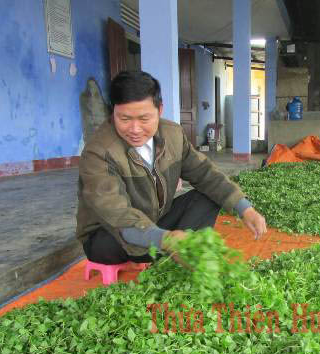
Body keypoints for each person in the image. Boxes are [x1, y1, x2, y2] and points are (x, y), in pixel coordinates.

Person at [76, 71, 267, 265]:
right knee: (118, 237)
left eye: (144, 119)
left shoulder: (172, 134)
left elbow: (205, 173)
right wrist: (165, 239)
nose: (135, 129)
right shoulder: (99, 152)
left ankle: (179, 250)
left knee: (207, 196)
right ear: (113, 112)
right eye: (124, 119)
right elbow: (116, 214)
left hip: (155, 221)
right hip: (109, 235)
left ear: (160, 110)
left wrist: (245, 208)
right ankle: (172, 249)